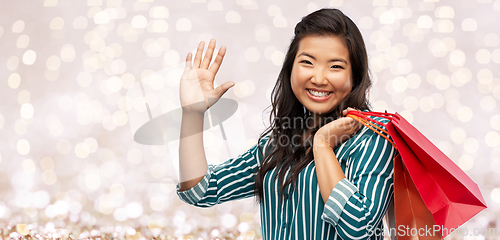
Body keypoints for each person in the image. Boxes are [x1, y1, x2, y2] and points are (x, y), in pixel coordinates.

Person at [177, 8, 395, 240]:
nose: (319, 78)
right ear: (291, 69)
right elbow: (200, 192)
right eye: (307, 62)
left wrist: (322, 147)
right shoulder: (281, 143)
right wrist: (192, 114)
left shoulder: (373, 139)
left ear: (356, 76)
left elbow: (360, 230)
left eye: (336, 67)